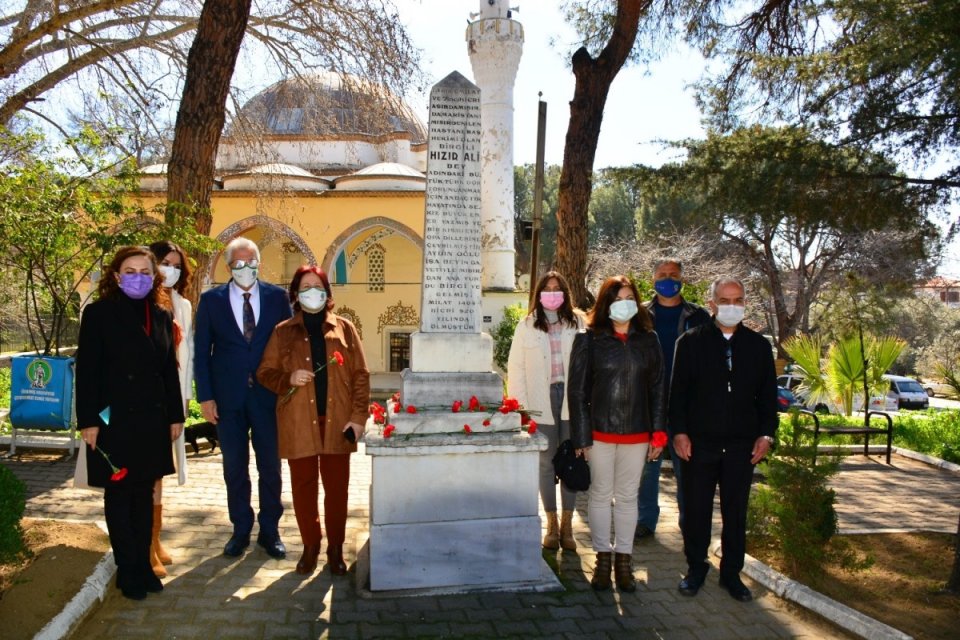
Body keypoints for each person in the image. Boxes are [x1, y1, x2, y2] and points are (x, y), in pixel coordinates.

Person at [76, 246, 184, 600]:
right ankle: (128, 569)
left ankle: (143, 563)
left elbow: (169, 368)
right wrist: (88, 421)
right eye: (130, 270)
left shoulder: (162, 316)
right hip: (113, 420)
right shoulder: (99, 314)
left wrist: (175, 416)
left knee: (143, 494)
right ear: (116, 275)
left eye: (144, 271)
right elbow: (88, 372)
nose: (138, 276)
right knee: (120, 493)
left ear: (153, 277)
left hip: (152, 421)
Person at [670, 276, 778, 602]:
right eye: (725, 300)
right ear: (713, 304)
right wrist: (679, 432)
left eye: (738, 300)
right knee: (697, 510)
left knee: (735, 513)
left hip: (741, 447)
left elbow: (768, 398)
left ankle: (731, 574)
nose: (732, 306)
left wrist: (766, 434)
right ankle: (696, 569)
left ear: (745, 303)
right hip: (699, 445)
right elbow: (678, 396)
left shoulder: (759, 347)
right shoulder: (690, 342)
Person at [256, 266, 370, 576]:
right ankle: (310, 546)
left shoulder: (345, 329)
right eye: (305, 287)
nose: (312, 292)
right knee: (303, 489)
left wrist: (359, 418)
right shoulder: (282, 332)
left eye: (317, 286)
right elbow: (264, 373)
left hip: (337, 424)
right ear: (295, 294)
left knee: (337, 490)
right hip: (299, 424)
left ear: (327, 292)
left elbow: (361, 375)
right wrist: (288, 377)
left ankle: (335, 549)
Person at [194, 237, 292, 559]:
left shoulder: (278, 298)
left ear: (259, 264)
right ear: (228, 266)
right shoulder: (211, 301)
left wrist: (288, 389)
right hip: (227, 400)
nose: (245, 268)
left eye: (251, 263)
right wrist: (205, 398)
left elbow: (289, 345)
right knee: (234, 468)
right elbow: (201, 353)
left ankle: (270, 530)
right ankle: (240, 530)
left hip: (267, 399)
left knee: (270, 468)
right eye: (238, 263)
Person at [568, 275, 667, 592]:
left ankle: (624, 562)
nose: (624, 303)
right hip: (599, 433)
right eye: (616, 297)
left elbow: (658, 390)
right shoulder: (589, 340)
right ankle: (603, 560)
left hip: (637, 434)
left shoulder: (649, 340)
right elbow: (577, 392)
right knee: (599, 495)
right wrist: (581, 437)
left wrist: (659, 434)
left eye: (629, 297)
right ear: (605, 303)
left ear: (636, 302)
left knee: (626, 498)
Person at [507, 271, 585, 551]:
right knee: (545, 461)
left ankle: (567, 526)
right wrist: (522, 410)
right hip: (541, 401)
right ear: (538, 294)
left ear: (565, 293)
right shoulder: (526, 325)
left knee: (572, 459)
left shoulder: (578, 321)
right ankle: (551, 525)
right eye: (547, 289)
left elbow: (588, 363)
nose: (552, 293)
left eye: (557, 288)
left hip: (572, 400)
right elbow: (516, 369)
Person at [636, 258, 711, 539]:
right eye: (662, 275)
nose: (668, 279)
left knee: (687, 467)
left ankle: (688, 522)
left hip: (687, 405)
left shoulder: (699, 316)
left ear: (682, 279)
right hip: (649, 402)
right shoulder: (639, 314)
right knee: (647, 467)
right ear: (653, 278)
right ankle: (645, 520)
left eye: (673, 275)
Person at [145, 241, 193, 578]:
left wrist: (184, 399)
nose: (170, 270)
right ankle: (144, 546)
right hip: (145, 399)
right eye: (164, 262)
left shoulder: (183, 305)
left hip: (171, 398)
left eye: (176, 265)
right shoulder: (140, 303)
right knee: (145, 472)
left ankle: (155, 539)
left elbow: (186, 353)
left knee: (159, 471)